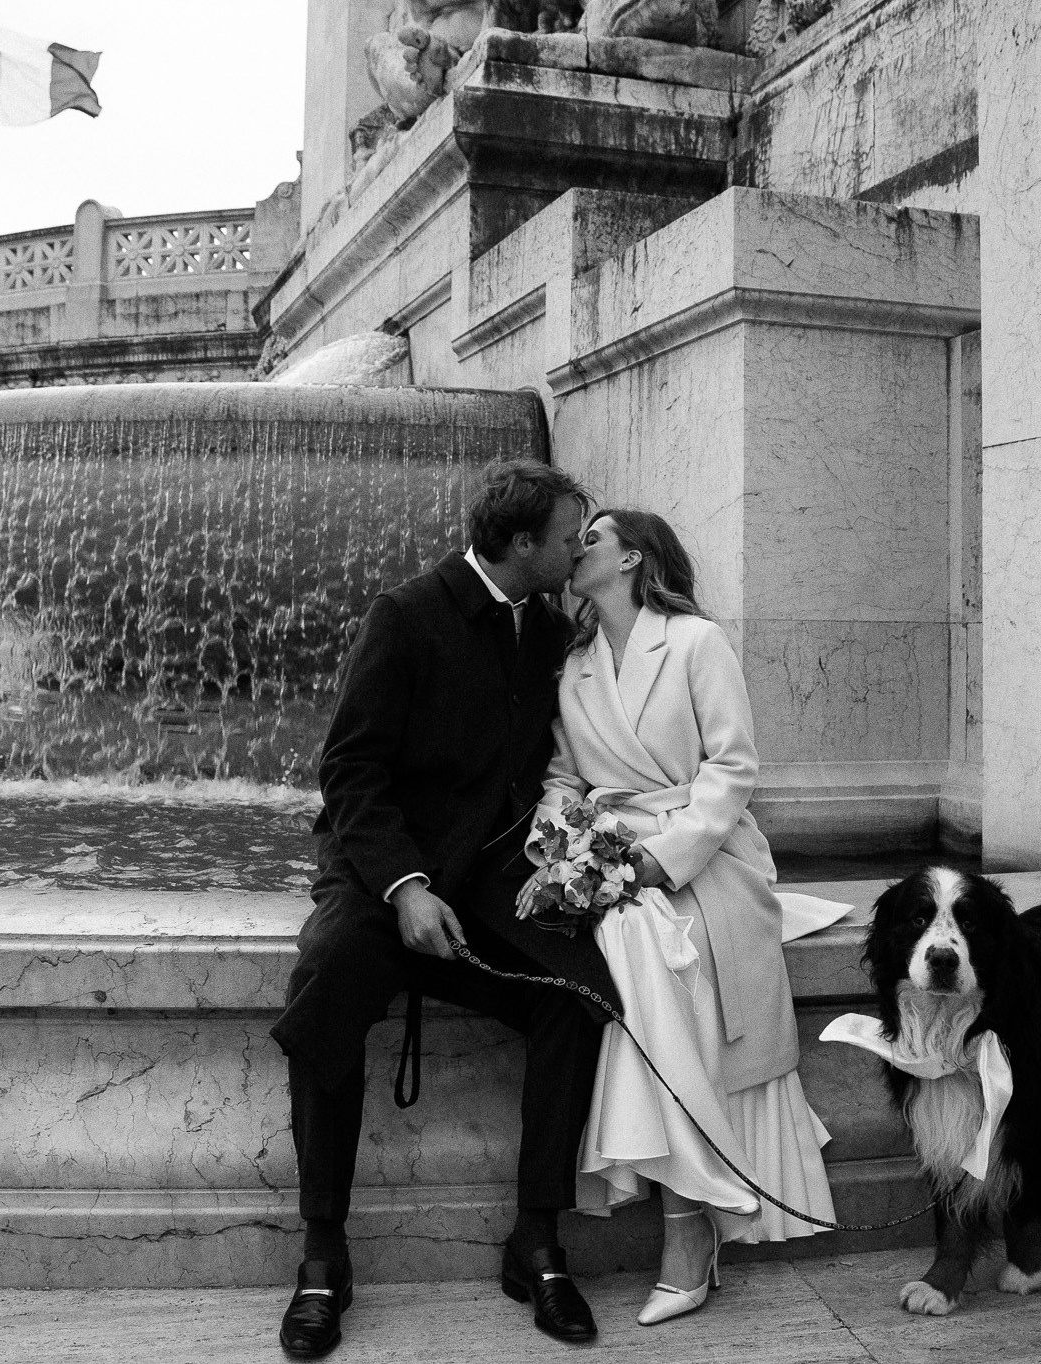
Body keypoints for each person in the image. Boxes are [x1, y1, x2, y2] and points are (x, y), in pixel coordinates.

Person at [271, 461, 620, 1358]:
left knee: (576, 995)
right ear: (518, 544)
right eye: (568, 535)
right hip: (382, 870)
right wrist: (405, 887)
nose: (579, 547)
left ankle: (535, 1240)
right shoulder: (405, 614)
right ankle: (322, 1256)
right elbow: (348, 771)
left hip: (491, 878)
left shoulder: (549, 631)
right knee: (328, 985)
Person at [521, 508, 843, 1326]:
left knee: (643, 935)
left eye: (590, 536)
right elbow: (561, 777)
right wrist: (566, 843)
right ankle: (694, 1207)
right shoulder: (574, 663)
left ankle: (689, 1225)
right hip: (611, 853)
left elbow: (734, 769)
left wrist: (663, 862)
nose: (575, 546)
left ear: (632, 557)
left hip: (707, 855)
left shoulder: (696, 642)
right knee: (630, 932)